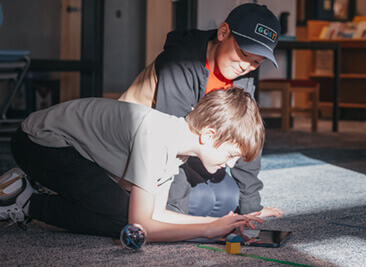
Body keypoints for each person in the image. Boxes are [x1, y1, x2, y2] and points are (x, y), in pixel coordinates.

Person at [0, 88, 282, 241]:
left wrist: (218, 223)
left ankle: (34, 190)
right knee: (124, 220)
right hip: (37, 144)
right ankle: (26, 201)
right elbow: (141, 223)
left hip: (63, 149)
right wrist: (207, 230)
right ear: (209, 136)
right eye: (232, 154)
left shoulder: (177, 147)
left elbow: (157, 213)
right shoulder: (158, 140)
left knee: (127, 212)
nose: (230, 164)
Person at [119, 3, 282, 219]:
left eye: (256, 62)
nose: (246, 66)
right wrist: (172, 215)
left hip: (190, 148)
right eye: (243, 53)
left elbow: (244, 135)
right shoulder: (180, 62)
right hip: (135, 150)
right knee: (201, 200)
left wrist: (251, 207)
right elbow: (168, 140)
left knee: (228, 197)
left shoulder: (243, 74)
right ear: (223, 32)